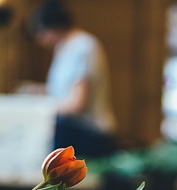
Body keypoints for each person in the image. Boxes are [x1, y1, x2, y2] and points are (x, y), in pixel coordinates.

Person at [30, 1, 118, 157]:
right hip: (73, 132)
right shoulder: (63, 48)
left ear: (52, 27)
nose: (39, 39)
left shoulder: (82, 46)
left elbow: (77, 104)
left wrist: (37, 108)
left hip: (87, 136)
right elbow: (62, 91)